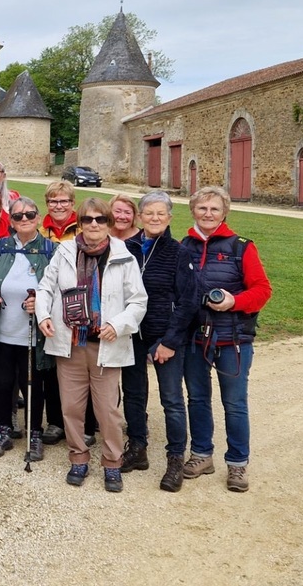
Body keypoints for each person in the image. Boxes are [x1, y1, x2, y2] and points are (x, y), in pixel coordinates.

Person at [37, 198, 148, 492]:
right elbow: (46, 287)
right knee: (71, 407)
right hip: (71, 342)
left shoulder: (123, 256)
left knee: (107, 411)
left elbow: (138, 301)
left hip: (106, 344)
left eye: (100, 219)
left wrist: (118, 325)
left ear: (109, 223)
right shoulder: (65, 251)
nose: (94, 224)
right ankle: (78, 457)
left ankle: (112, 462)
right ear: (80, 223)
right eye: (87, 219)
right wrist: (43, 315)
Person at [180, 186, 272, 493]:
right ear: (193, 211)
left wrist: (234, 301)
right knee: (197, 398)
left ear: (224, 213)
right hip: (195, 337)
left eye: (214, 209)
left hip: (233, 338)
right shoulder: (184, 246)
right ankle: (201, 454)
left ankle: (237, 463)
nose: (208, 214)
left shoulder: (242, 247)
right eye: (202, 208)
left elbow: (262, 290)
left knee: (234, 403)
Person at [121, 190, 197, 491]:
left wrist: (170, 341)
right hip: (132, 333)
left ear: (169, 218)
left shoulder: (178, 252)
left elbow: (188, 301)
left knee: (172, 399)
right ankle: (137, 446)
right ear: (140, 217)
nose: (154, 218)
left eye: (160, 214)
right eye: (149, 213)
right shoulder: (126, 248)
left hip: (163, 334)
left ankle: (175, 458)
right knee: (134, 393)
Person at [0, 198, 54, 461]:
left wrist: (40, 303)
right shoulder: (1, 247)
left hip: (33, 334)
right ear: (11, 220)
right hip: (3, 332)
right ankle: (4, 430)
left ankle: (35, 433)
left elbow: (60, 288)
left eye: (29, 214)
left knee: (33, 385)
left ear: (38, 217)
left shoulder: (50, 250)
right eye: (18, 216)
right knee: (2, 383)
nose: (24, 219)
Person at [35, 180, 82, 448]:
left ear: (72, 203)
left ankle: (86, 421)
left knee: (83, 366)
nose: (59, 205)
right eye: (53, 201)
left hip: (78, 306)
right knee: (52, 367)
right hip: (50, 305)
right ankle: (55, 421)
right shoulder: (41, 232)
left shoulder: (83, 229)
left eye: (64, 201)